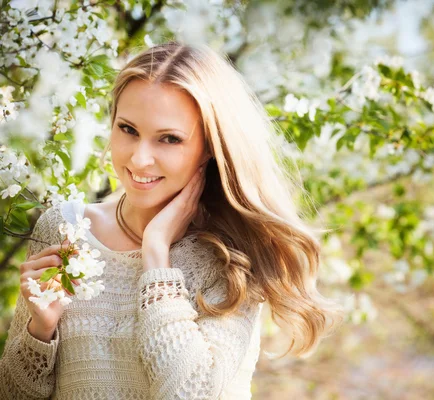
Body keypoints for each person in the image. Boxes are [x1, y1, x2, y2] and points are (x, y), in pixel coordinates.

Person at [0, 41, 343, 399]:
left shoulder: (231, 259)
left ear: (210, 147)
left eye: (169, 139)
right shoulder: (64, 229)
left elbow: (191, 394)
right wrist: (40, 329)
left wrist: (156, 254)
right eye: (128, 129)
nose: (139, 159)